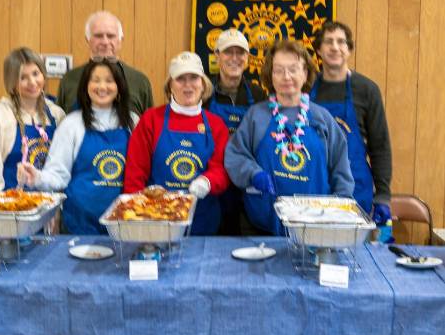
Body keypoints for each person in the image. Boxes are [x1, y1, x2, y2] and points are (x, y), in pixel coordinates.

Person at [225, 40, 354, 236]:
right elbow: (235, 155)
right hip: (262, 226)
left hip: (314, 227)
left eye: (293, 69)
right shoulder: (256, 116)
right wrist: (253, 173)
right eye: (279, 70)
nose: (286, 77)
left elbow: (341, 169)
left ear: (305, 73)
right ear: (270, 75)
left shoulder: (322, 118)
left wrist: (337, 211)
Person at [18, 58, 138, 234]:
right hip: (79, 225)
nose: (102, 87)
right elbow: (58, 174)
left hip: (124, 224)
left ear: (119, 86)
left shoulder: (134, 123)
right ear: (86, 86)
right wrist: (37, 178)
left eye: (109, 81)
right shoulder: (71, 124)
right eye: (95, 80)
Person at [124, 51, 230, 235]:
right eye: (181, 79)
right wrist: (136, 214)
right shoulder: (151, 120)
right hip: (156, 218)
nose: (188, 85)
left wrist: (207, 181)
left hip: (202, 219)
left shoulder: (216, 125)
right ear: (170, 85)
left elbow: (222, 168)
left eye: (194, 78)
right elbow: (135, 172)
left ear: (203, 85)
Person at [310, 21, 393, 242]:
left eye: (341, 42)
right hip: (314, 189)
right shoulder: (306, 88)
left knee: (356, 258)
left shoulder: (367, 90)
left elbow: (380, 146)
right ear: (318, 49)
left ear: (349, 49)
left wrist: (383, 196)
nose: (335, 47)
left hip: (356, 190)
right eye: (328, 41)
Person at [0, 47, 65, 196]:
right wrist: (5, 211)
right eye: (23, 77)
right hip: (11, 212)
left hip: (50, 213)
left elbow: (63, 170)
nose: (32, 82)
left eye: (36, 74)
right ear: (12, 82)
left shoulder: (57, 115)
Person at [204, 28, 265, 235]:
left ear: (248, 58)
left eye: (240, 53)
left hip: (246, 182)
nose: (235, 58)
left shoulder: (258, 94)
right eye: (228, 52)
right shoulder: (203, 93)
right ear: (217, 56)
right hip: (212, 178)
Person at [57, 10, 153, 116]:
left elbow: (149, 128)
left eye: (111, 36)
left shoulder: (139, 81)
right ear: (87, 40)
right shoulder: (69, 79)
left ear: (120, 40)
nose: (105, 42)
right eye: (98, 36)